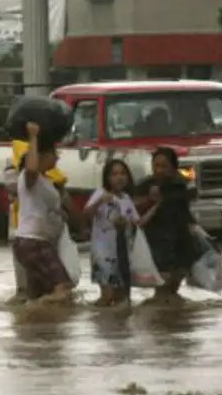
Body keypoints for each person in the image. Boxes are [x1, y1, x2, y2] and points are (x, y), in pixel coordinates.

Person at [84, 159, 158, 306]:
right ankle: (97, 318)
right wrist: (100, 201)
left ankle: (115, 325)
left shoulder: (126, 198)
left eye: (123, 174)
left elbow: (138, 223)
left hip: (122, 252)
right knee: (108, 295)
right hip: (102, 251)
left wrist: (156, 206)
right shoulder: (101, 193)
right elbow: (86, 214)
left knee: (121, 296)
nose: (119, 177)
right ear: (107, 178)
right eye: (115, 174)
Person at [12, 122, 72, 302]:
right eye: (54, 153)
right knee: (63, 289)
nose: (57, 158)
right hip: (33, 242)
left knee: (38, 295)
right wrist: (33, 136)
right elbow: (31, 168)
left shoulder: (47, 182)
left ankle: (35, 326)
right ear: (42, 155)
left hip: (36, 242)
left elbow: (48, 209)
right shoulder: (29, 177)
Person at [134, 147, 199, 303]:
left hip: (181, 239)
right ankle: (162, 319)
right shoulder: (146, 185)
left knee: (174, 283)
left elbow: (187, 206)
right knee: (162, 285)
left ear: (173, 168)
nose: (159, 170)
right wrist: (150, 200)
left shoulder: (182, 184)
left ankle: (170, 320)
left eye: (164, 166)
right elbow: (133, 206)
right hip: (157, 240)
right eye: (156, 165)